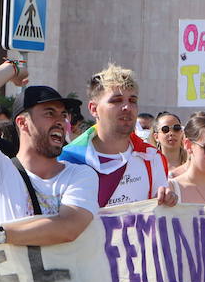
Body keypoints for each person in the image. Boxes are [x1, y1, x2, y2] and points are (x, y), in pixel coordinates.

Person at [0, 60, 99, 250]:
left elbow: (69, 228)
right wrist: (12, 68)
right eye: (49, 113)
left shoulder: (81, 175)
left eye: (63, 114)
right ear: (22, 123)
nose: (61, 121)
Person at [58, 63, 171, 207]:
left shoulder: (152, 158)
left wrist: (167, 201)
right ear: (94, 109)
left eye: (133, 101)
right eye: (116, 100)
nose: (127, 107)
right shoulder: (68, 159)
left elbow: (159, 217)